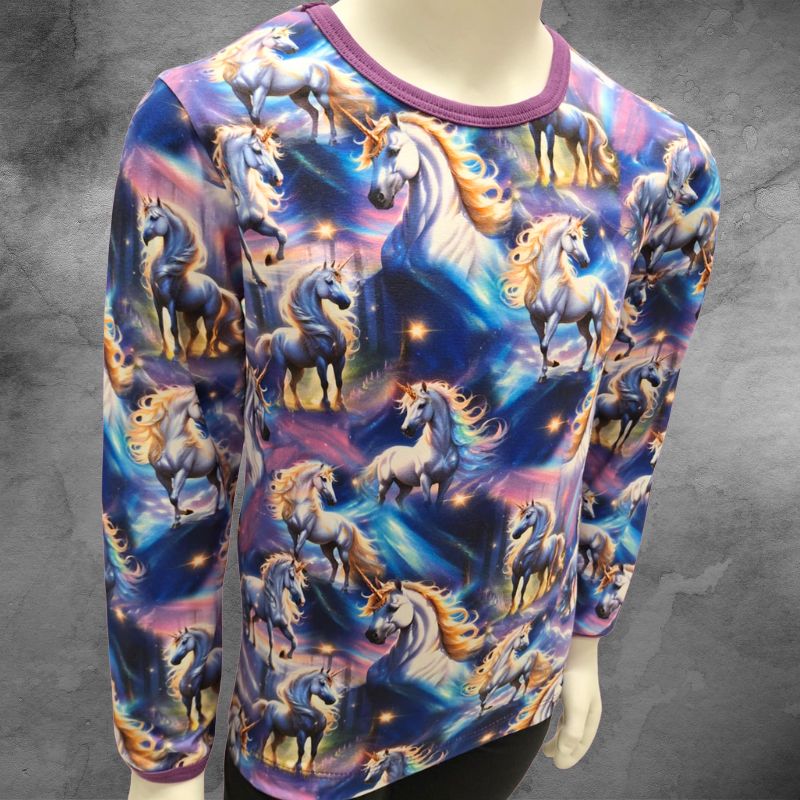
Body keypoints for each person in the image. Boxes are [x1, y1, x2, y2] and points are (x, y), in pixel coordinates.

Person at [100, 2, 721, 798]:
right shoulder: (213, 116)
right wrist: (165, 758)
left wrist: (587, 631)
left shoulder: (659, 162)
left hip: (514, 695)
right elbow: (163, 475)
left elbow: (627, 435)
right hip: (311, 740)